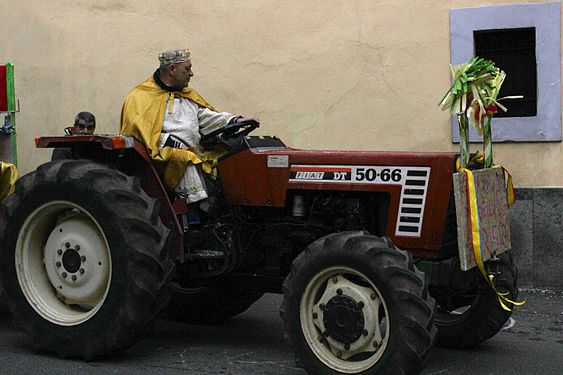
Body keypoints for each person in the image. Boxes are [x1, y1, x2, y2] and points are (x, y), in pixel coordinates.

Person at [120, 48, 258, 210]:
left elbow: (206, 117)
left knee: (230, 158)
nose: (191, 73)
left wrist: (236, 120)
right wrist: (175, 145)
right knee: (186, 159)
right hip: (160, 159)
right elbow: (139, 133)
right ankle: (197, 213)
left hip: (195, 153)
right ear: (172, 70)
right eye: (187, 69)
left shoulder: (187, 95)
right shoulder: (141, 97)